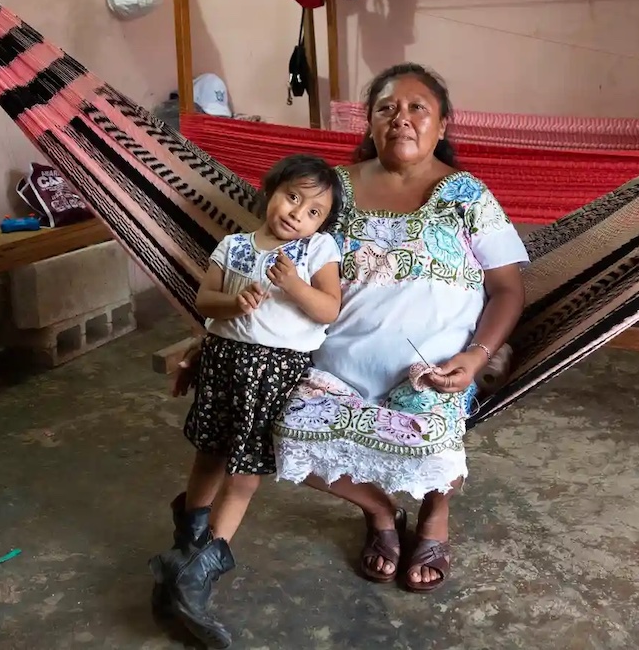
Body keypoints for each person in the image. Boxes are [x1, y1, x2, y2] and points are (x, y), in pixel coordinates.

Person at [165, 62, 527, 619]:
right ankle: (381, 512)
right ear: (370, 122)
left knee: (432, 442)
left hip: (431, 368)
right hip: (326, 361)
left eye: (417, 108)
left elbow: (507, 289)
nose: (400, 118)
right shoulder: (331, 189)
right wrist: (209, 340)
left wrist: (476, 357)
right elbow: (262, 261)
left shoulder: (467, 196)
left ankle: (433, 514)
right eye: (386, 108)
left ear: (443, 125)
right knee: (273, 434)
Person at [150, 153, 344, 649]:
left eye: (313, 210)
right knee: (210, 454)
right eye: (292, 197)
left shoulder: (318, 250)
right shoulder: (233, 246)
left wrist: (295, 285)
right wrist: (234, 303)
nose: (298, 213)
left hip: (274, 373)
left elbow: (329, 307)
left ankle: (199, 569)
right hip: (224, 363)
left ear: (322, 223)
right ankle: (186, 544)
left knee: (245, 473)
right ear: (270, 190)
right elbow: (205, 300)